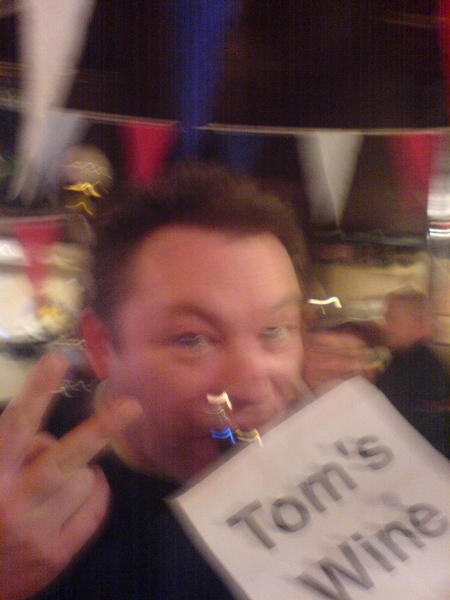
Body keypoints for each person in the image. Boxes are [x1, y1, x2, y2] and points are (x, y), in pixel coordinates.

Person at [0, 162, 310, 600]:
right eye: (193, 339)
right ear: (102, 346)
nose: (252, 386)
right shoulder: (14, 473)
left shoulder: (331, 468)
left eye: (275, 330)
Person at [376, 288, 450, 456]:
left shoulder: (426, 371)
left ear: (418, 322)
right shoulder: (402, 360)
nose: (384, 325)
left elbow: (428, 434)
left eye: (390, 318)